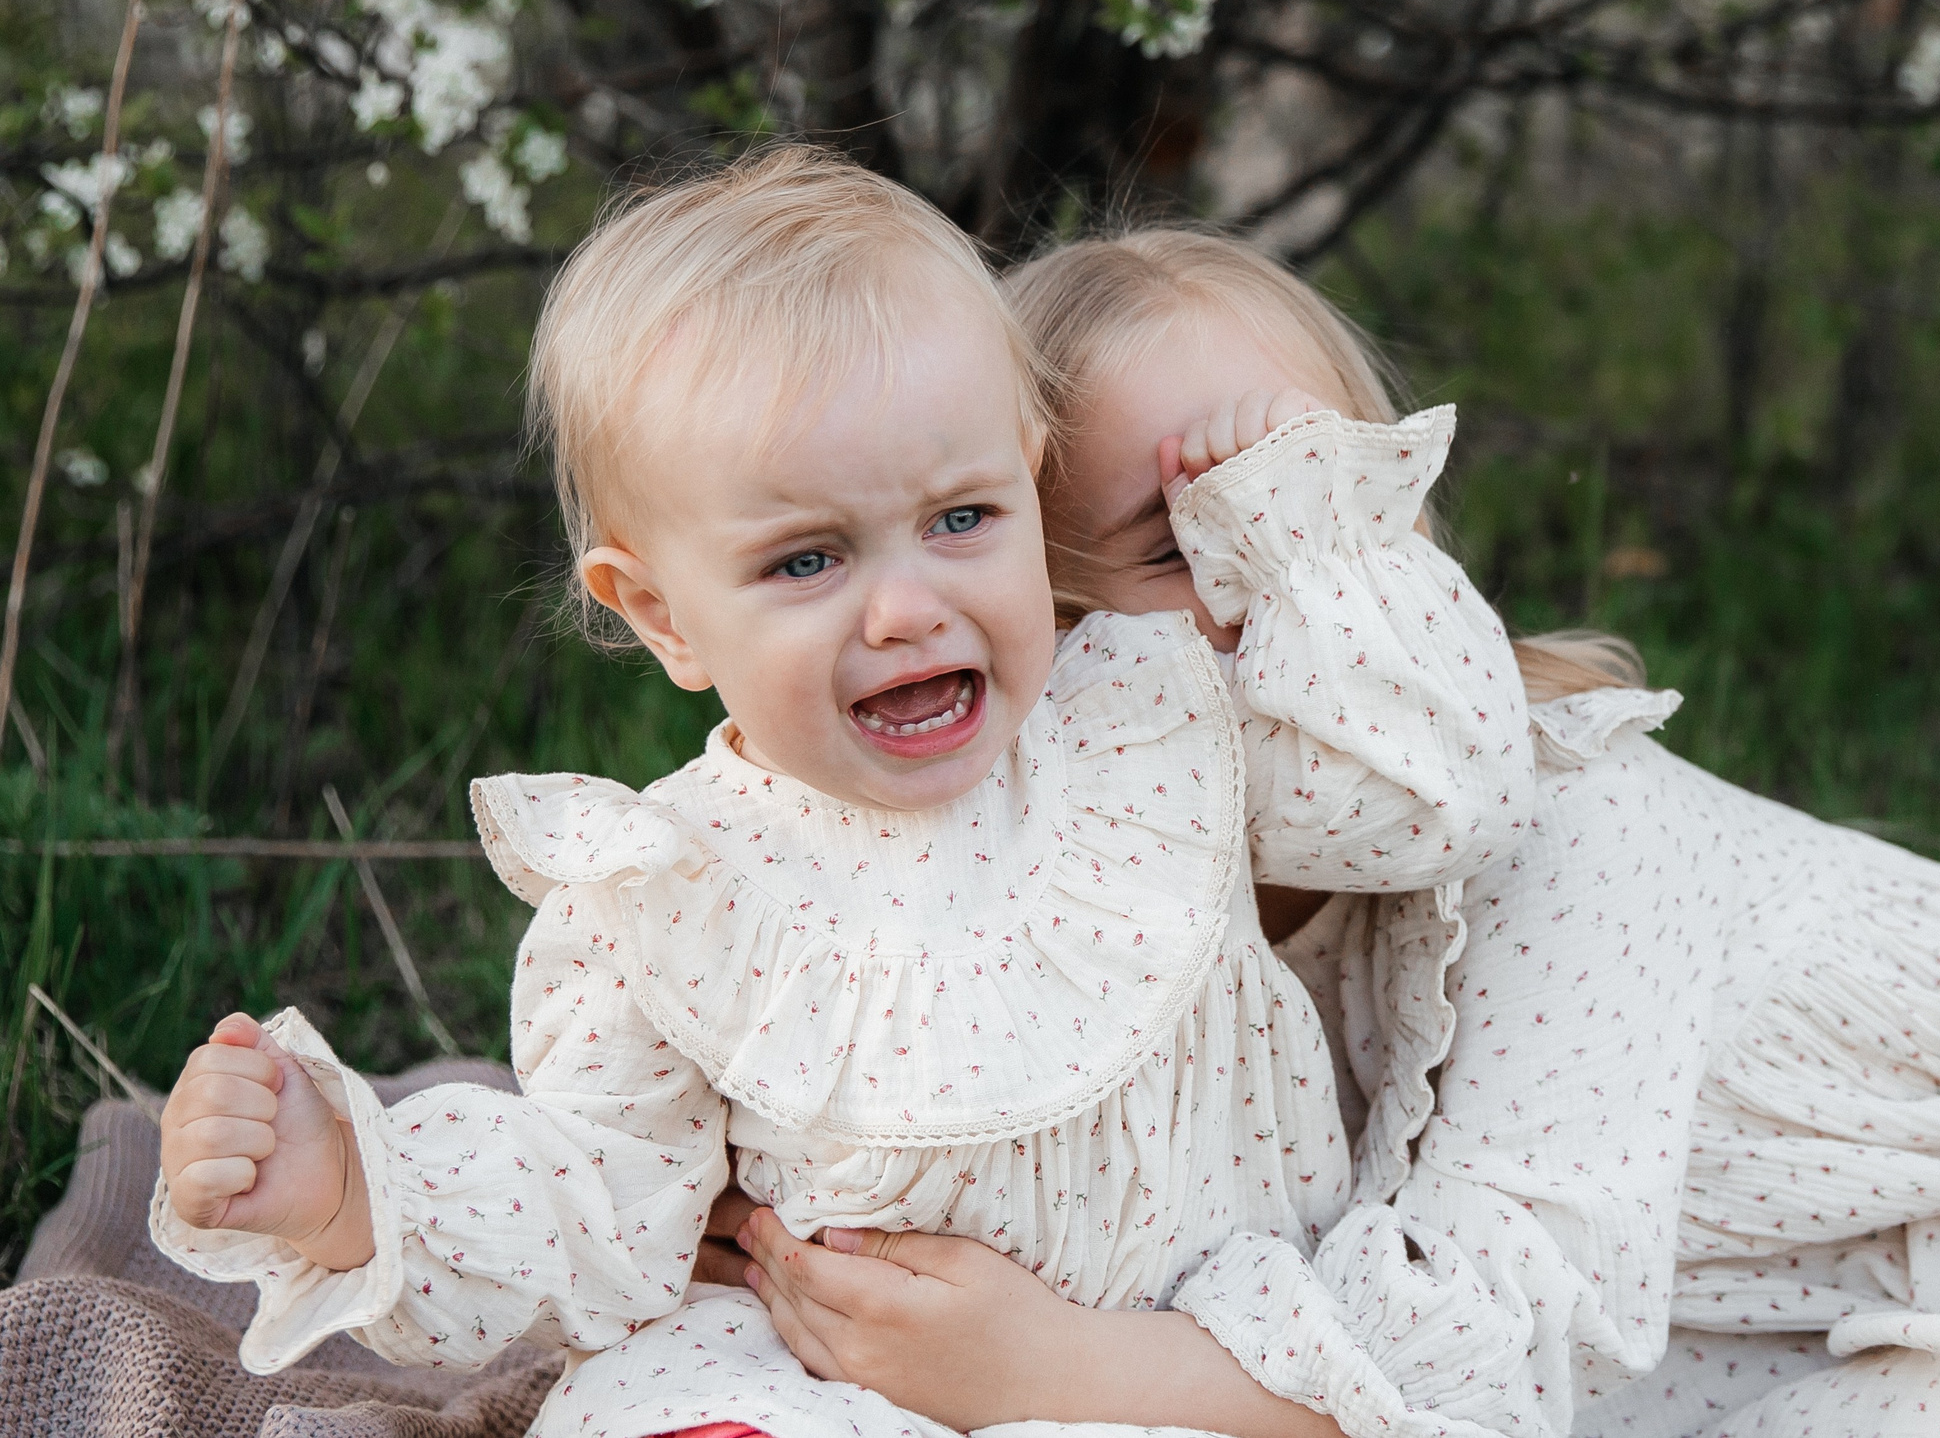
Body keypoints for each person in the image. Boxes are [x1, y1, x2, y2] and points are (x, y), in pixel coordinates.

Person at [725, 228, 1940, 1438]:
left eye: (1332, 524)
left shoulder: (1569, 826)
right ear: (1034, 594)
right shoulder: (1105, 901)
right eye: (1188, 548)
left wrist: (1057, 1365)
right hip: (1764, 1316)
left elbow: (1488, 1339)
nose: (1287, 608)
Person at [147, 153, 1534, 1438]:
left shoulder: (1149, 717)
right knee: (679, 1398)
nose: (909, 606)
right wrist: (345, 1186)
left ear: (1030, 485)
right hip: (839, 1377)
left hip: (1177, 1354)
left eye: (961, 519)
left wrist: (1302, 527)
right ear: (662, 616)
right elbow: (596, 1196)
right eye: (808, 560)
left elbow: (1433, 797)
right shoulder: (674, 879)